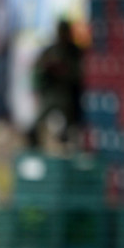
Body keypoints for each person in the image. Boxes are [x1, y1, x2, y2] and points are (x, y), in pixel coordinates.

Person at [26, 19, 84, 150]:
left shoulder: (75, 52)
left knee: (69, 123)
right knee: (37, 122)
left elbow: (80, 75)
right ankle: (34, 146)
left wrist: (64, 72)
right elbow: (37, 71)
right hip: (50, 92)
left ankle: (66, 141)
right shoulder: (50, 50)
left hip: (68, 94)